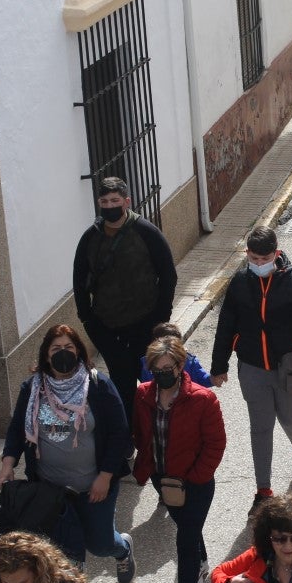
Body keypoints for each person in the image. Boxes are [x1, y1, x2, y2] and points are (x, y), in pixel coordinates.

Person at [0, 324, 136, 581]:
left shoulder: (98, 386)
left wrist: (105, 477)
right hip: (51, 492)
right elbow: (18, 429)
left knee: (100, 545)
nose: (63, 353)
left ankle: (122, 549)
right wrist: (8, 464)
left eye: (69, 348)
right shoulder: (32, 389)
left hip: (94, 488)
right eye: (56, 348)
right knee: (64, 558)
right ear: (46, 355)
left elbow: (120, 433)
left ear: (79, 352)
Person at [210, 226, 292, 514]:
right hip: (252, 367)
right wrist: (219, 365)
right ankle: (263, 491)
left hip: (289, 367)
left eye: (265, 258)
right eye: (254, 257)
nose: (259, 263)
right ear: (247, 254)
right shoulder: (239, 283)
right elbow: (226, 325)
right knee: (260, 428)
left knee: (290, 420)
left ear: (276, 253)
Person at [133, 335, 226, 583]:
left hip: (196, 483)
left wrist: (195, 477)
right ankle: (200, 564)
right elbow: (141, 433)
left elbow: (215, 445)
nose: (162, 374)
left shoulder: (203, 399)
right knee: (189, 527)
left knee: (185, 535)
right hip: (163, 481)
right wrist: (149, 471)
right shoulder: (144, 395)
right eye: (155, 368)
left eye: (167, 367)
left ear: (180, 365)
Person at [74, 176, 178, 428]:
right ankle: (126, 438)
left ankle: (154, 433)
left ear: (126, 201)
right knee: (121, 387)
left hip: (145, 325)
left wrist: (160, 318)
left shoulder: (146, 232)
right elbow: (79, 280)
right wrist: (88, 319)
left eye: (115, 200)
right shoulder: (90, 238)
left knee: (149, 382)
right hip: (108, 328)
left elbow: (168, 274)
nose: (110, 205)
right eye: (104, 201)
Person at [140, 322, 213, 388]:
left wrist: (212, 379)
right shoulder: (147, 363)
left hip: (188, 398)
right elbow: (147, 385)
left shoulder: (189, 361)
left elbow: (202, 378)